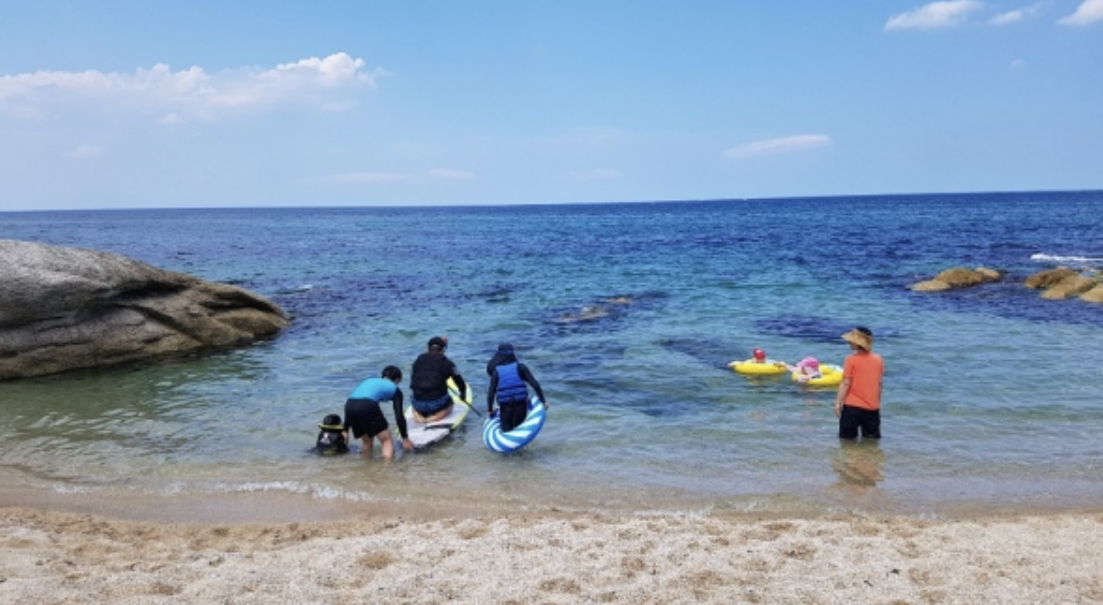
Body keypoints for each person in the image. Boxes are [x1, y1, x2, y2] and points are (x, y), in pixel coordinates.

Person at [344, 365, 414, 458]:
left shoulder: (370, 381)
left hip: (349, 405)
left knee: (367, 441)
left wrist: (345, 430)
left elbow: (355, 402)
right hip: (367, 405)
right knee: (387, 441)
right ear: (397, 379)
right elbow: (399, 416)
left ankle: (366, 466)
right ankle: (385, 470)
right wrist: (405, 438)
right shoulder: (395, 389)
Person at [834, 327, 884, 440]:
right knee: (872, 442)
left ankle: (851, 457)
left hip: (852, 407)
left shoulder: (851, 359)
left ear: (857, 343)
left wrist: (838, 403)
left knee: (847, 442)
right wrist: (877, 403)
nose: (849, 342)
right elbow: (879, 383)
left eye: (851, 340)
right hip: (872, 408)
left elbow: (846, 383)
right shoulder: (879, 359)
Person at [486, 343, 547, 432]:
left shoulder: (496, 372)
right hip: (520, 403)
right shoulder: (520, 367)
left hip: (505, 406)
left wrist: (490, 410)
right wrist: (543, 401)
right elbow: (535, 384)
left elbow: (491, 393)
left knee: (507, 432)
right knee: (520, 430)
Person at [410, 336, 468, 423]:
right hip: (436, 404)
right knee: (450, 403)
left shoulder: (418, 360)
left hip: (418, 403)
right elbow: (459, 381)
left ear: (427, 348)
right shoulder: (447, 363)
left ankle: (418, 416)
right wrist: (463, 395)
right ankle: (432, 418)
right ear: (443, 349)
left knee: (415, 402)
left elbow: (415, 379)